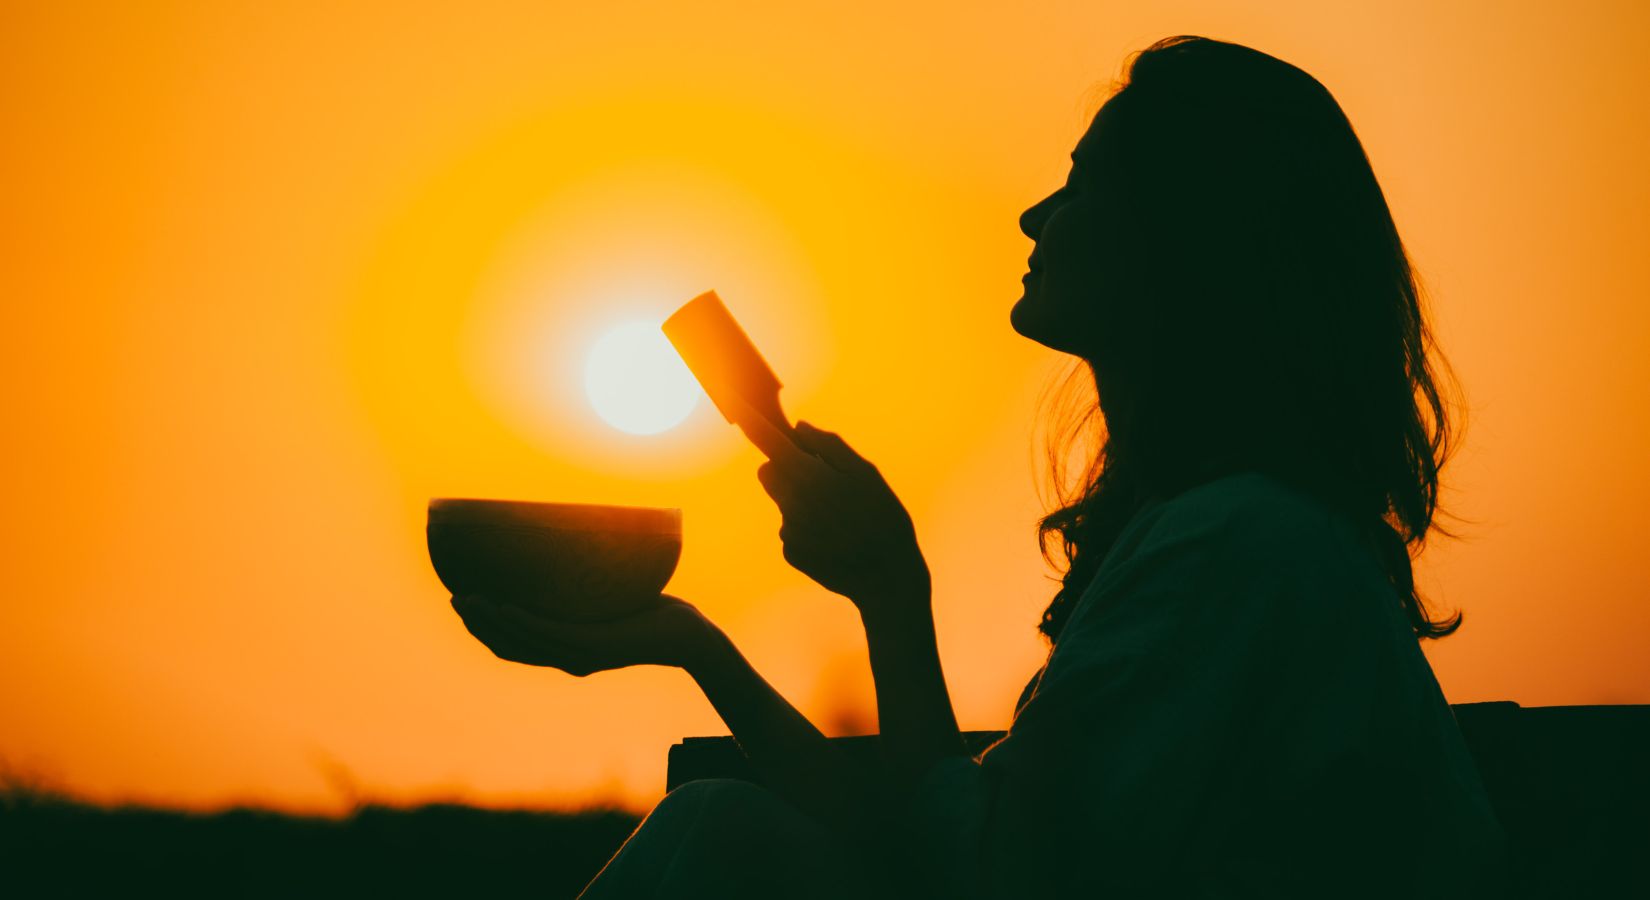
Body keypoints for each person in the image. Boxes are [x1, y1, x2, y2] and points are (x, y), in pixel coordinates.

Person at [450, 35, 1507, 898]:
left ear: (1185, 238)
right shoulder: (1216, 535)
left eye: (1085, 184)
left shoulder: (1240, 549)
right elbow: (921, 836)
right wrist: (695, 645)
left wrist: (890, 592)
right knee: (721, 826)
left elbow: (977, 874)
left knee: (724, 836)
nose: (1035, 216)